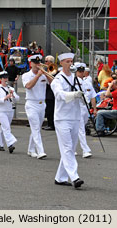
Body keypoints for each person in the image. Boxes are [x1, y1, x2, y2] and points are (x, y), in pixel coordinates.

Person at [51, 52, 85, 188]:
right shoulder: (57, 80)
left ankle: (60, 177)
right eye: (67, 61)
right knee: (67, 148)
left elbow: (84, 96)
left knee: (71, 147)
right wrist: (74, 94)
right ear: (61, 63)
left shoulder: (77, 79)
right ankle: (74, 176)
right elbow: (59, 95)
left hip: (75, 117)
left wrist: (82, 96)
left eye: (71, 61)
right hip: (62, 118)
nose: (70, 64)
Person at [22, 55, 52, 159]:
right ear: (31, 63)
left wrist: (46, 73)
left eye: (39, 63)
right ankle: (41, 151)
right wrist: (38, 75)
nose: (37, 65)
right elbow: (29, 86)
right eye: (35, 63)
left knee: (37, 129)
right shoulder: (26, 75)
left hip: (42, 104)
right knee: (35, 127)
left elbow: (53, 83)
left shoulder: (43, 74)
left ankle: (31, 149)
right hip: (31, 104)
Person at [74, 62, 97, 158]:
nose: (81, 73)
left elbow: (92, 96)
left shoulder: (87, 82)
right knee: (81, 130)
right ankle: (85, 150)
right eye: (79, 71)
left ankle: (72, 148)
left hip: (85, 108)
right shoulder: (73, 82)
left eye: (82, 71)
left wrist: (94, 109)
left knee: (78, 129)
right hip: (77, 107)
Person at [0, 71, 19, 153]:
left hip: (9, 110)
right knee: (7, 127)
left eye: (6, 77)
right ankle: (10, 144)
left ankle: (0, 144)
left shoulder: (10, 88)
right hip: (1, 111)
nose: (5, 79)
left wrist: (13, 96)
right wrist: (5, 98)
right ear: (0, 79)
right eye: (4, 78)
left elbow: (17, 99)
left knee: (3, 128)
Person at [43, 55, 56, 131]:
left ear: (51, 62)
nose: (45, 63)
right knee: (48, 108)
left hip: (51, 92)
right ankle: (49, 123)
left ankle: (51, 124)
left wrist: (45, 73)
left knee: (50, 109)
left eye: (46, 61)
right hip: (47, 90)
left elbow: (52, 80)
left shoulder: (53, 70)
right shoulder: (48, 69)